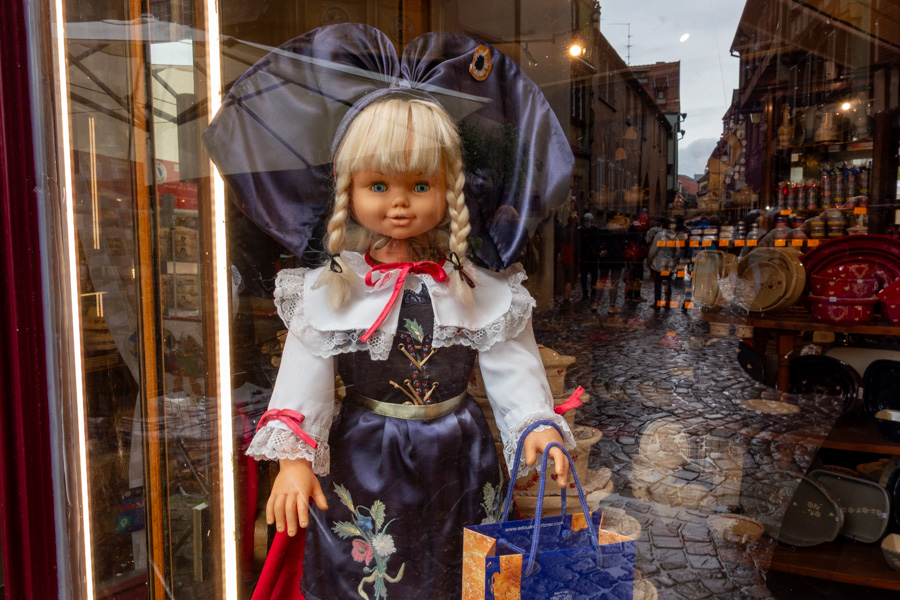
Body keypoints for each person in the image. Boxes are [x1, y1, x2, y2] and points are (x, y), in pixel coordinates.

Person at [206, 25, 578, 600]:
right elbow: (306, 374)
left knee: (458, 568)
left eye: (420, 184)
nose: (399, 203)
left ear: (449, 189)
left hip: (459, 452)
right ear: (347, 190)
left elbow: (509, 362)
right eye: (378, 185)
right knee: (370, 575)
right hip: (365, 455)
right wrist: (295, 460)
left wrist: (534, 421)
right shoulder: (333, 288)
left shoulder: (475, 284)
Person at [596, 212, 627, 313]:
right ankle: (611, 306)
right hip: (617, 259)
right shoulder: (621, 231)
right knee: (614, 282)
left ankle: (596, 303)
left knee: (602, 281)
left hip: (605, 258)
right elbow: (624, 244)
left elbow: (598, 244)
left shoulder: (602, 230)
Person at [579, 212, 602, 303]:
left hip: (584, 256)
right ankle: (593, 292)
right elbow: (598, 243)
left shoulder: (581, 230)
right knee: (594, 275)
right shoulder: (595, 230)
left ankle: (585, 293)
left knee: (584, 275)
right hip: (593, 256)